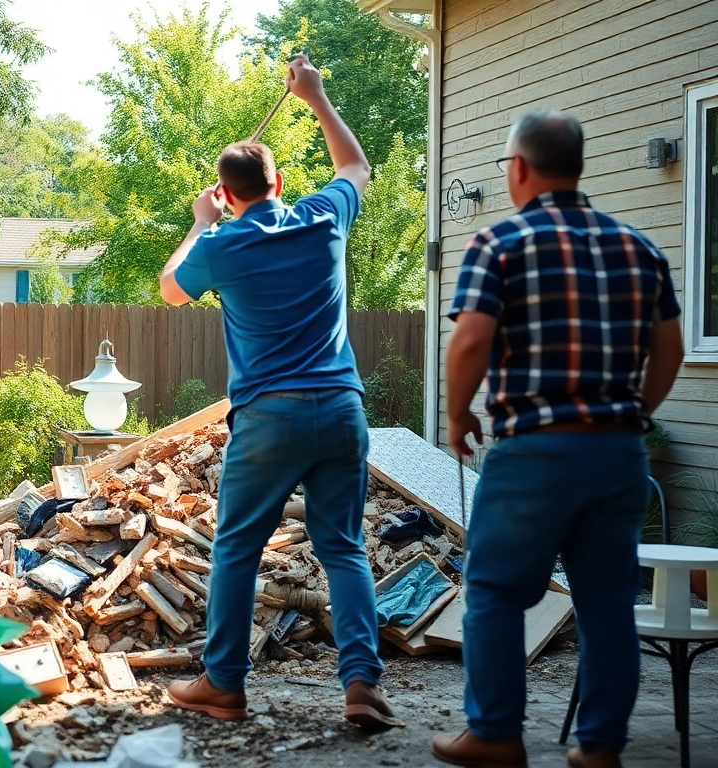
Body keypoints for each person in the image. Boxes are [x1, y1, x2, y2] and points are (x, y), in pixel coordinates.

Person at [432, 110, 684, 768]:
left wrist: (458, 415)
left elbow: (470, 341)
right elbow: (671, 350)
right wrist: (632, 413)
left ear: (518, 169)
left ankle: (495, 734)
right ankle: (599, 748)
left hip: (533, 451)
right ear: (575, 168)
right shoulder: (640, 249)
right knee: (607, 603)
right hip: (619, 452)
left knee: (492, 591)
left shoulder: (500, 243)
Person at [157, 53, 400, 730]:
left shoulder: (224, 243)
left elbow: (170, 288)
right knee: (344, 547)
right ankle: (361, 685)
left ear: (227, 194)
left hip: (269, 415)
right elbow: (356, 168)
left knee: (237, 546)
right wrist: (316, 98)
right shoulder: (323, 218)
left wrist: (203, 220)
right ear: (281, 182)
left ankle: (224, 684)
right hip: (342, 408)